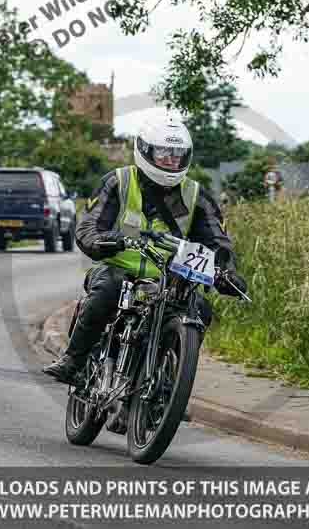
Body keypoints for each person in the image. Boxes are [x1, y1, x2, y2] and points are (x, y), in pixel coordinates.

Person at [43, 115, 248, 384]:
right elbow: (89, 224)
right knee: (105, 291)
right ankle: (74, 361)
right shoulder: (119, 182)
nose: (171, 160)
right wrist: (100, 241)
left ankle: (170, 387)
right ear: (145, 150)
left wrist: (225, 272)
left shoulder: (197, 197)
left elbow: (218, 242)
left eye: (178, 155)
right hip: (117, 270)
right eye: (164, 153)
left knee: (199, 308)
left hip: (169, 282)